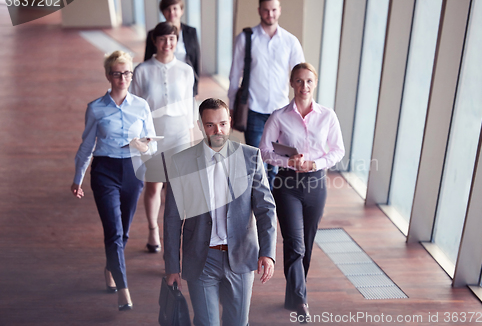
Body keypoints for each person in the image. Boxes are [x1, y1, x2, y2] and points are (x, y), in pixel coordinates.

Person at [164, 98, 277, 326]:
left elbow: (266, 209)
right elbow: (172, 219)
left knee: (238, 322)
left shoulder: (250, 157)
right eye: (210, 125)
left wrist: (268, 252)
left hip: (242, 255)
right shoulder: (182, 162)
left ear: (230, 123)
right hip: (201, 257)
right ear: (200, 125)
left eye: (223, 124)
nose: (218, 131)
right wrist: (172, 266)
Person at [71, 51, 156, 311]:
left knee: (124, 231)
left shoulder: (141, 106)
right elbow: (86, 146)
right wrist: (78, 178)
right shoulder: (95, 108)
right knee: (114, 231)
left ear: (131, 75)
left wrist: (142, 145)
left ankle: (111, 264)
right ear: (109, 75)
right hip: (104, 171)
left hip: (132, 171)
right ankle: (123, 288)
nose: (122, 78)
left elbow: (151, 145)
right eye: (117, 73)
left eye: (127, 73)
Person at [259, 63, 345, 319]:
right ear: (291, 84)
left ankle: (293, 295)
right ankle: (302, 301)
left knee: (306, 244)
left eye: (308, 81)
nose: (304, 86)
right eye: (298, 81)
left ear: (315, 83)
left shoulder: (328, 116)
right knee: (294, 244)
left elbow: (338, 150)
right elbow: (264, 150)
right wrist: (289, 162)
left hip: (316, 184)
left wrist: (315, 164)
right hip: (287, 185)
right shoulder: (279, 116)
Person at [130, 22, 195, 254]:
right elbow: (134, 109)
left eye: (172, 39)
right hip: (152, 136)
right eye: (163, 39)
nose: (168, 44)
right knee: (153, 187)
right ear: (154, 41)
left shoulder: (187, 71)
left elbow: (189, 107)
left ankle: (173, 233)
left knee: (177, 191)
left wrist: (190, 138)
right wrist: (138, 140)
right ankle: (152, 229)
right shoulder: (142, 70)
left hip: (178, 134)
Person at [228, 0, 305, 186]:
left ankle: (268, 208)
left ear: (279, 10)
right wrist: (230, 105)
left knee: (276, 165)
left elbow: (302, 76)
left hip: (281, 113)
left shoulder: (290, 41)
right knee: (258, 163)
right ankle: (260, 208)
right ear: (259, 10)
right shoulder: (246, 38)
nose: (270, 14)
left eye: (273, 9)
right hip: (254, 110)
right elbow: (234, 74)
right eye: (266, 10)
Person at [144, 0, 200, 96]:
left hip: (184, 79)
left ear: (181, 11)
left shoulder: (191, 32)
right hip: (159, 80)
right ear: (162, 12)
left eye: (175, 8)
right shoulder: (153, 34)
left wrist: (195, 89)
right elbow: (147, 59)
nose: (171, 12)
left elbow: (195, 60)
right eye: (167, 9)